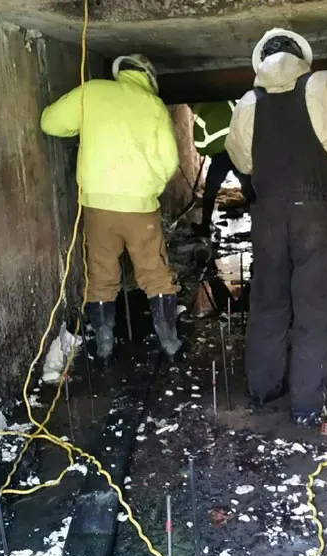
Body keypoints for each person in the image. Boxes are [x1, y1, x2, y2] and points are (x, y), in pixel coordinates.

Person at [226, 29, 327, 425]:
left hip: (268, 216)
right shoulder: (326, 84)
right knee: (315, 306)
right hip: (316, 213)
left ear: (261, 61)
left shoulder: (248, 103)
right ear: (302, 56)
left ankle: (263, 391)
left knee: (268, 303)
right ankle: (307, 404)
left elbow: (242, 162)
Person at [41, 54, 183, 363]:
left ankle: (104, 348)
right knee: (155, 273)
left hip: (97, 206)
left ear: (120, 72)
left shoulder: (92, 91)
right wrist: (151, 190)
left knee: (102, 275)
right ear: (148, 77)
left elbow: (49, 122)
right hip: (140, 209)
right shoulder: (154, 105)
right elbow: (170, 161)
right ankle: (170, 343)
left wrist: (83, 128)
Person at [190, 101, 254, 238]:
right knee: (249, 186)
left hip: (219, 157)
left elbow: (200, 145)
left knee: (210, 191)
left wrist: (208, 152)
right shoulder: (230, 104)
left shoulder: (201, 118)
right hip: (236, 150)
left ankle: (205, 227)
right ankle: (261, 222)